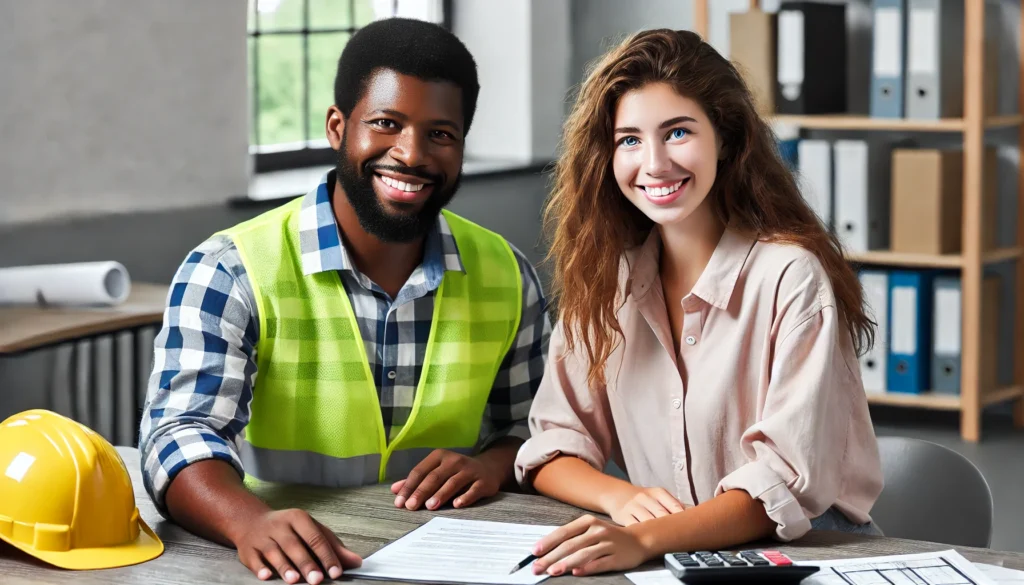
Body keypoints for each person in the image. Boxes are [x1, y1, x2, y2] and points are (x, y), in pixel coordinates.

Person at [139, 17, 550, 585]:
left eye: (441, 134)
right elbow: (177, 434)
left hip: (448, 563)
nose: (411, 154)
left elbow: (538, 430)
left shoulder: (508, 273)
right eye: (386, 123)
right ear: (338, 127)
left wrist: (489, 465)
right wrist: (248, 522)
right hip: (275, 566)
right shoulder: (228, 270)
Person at [514, 29, 884, 577]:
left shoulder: (789, 276)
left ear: (726, 140)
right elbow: (553, 445)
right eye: (629, 140)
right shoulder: (606, 284)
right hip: (676, 555)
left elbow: (777, 486)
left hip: (809, 555)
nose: (655, 163)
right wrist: (621, 501)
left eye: (678, 132)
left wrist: (644, 538)